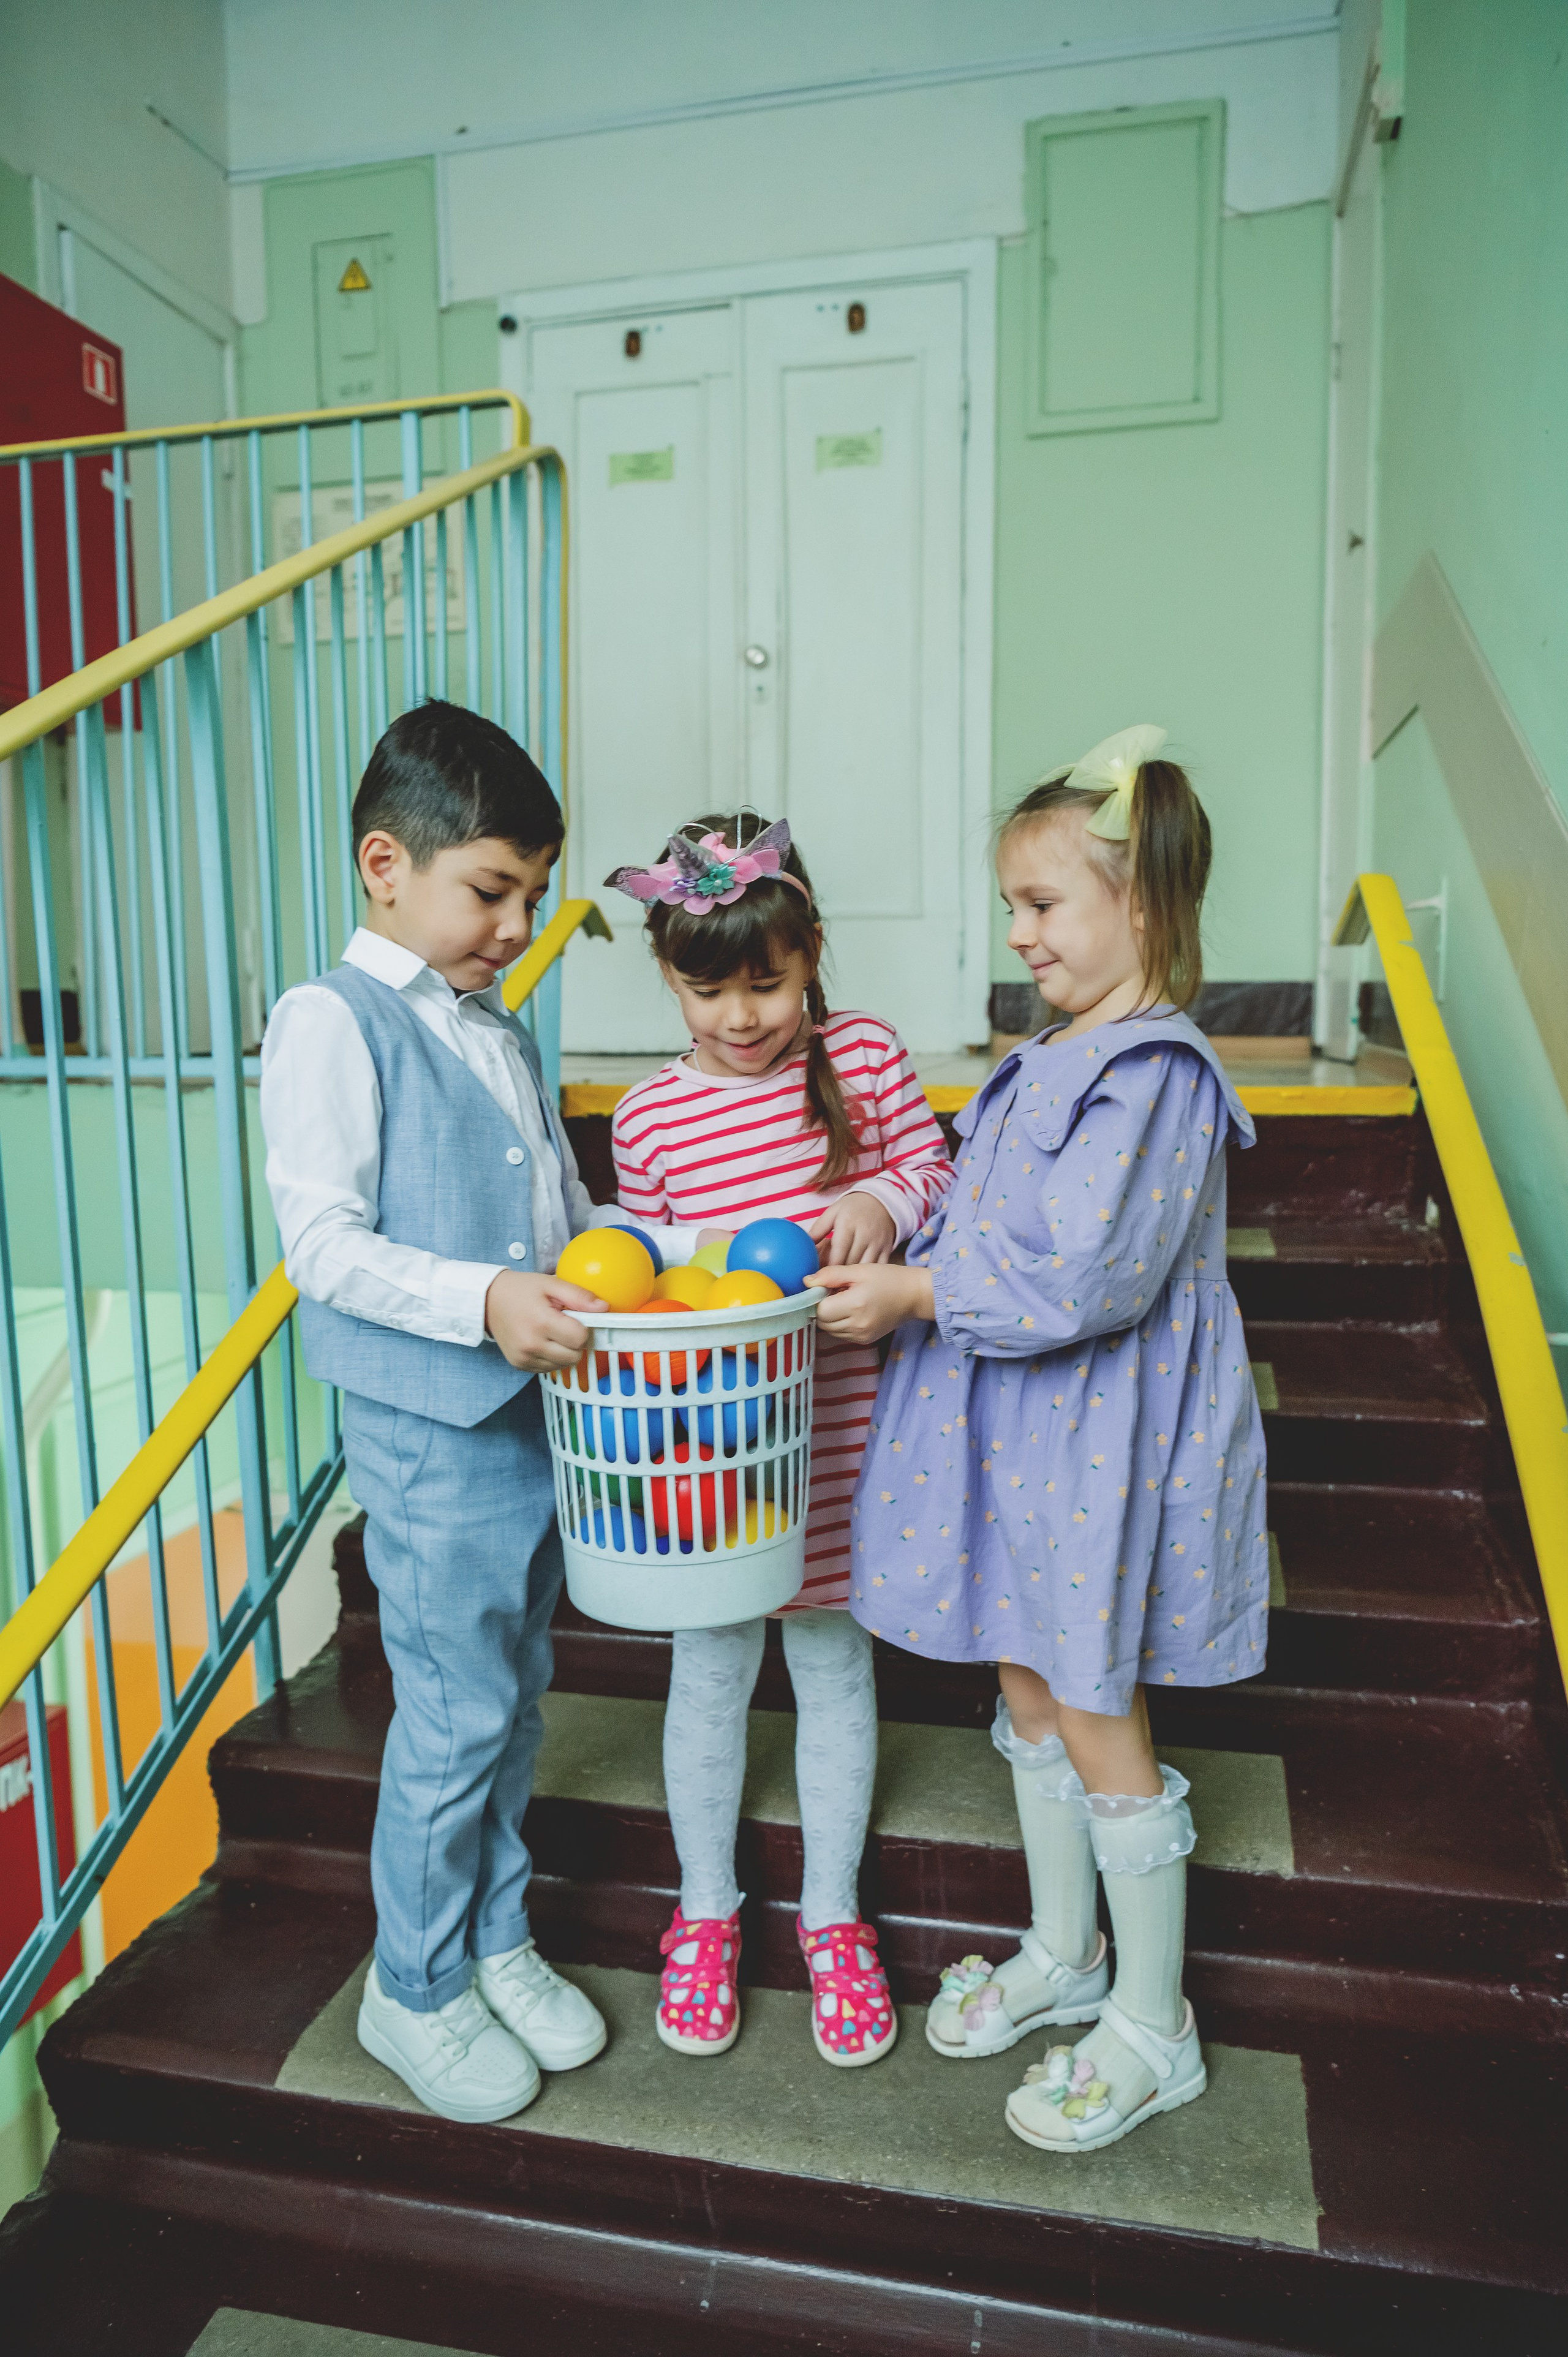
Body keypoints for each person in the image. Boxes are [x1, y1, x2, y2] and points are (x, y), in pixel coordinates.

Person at [812, 726, 1268, 2151]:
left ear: (1142, 905)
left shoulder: (1154, 1074)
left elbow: (1085, 1276)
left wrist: (919, 1292)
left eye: (1042, 904)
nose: (1017, 933)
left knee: (1091, 1697)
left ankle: (1152, 2018)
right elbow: (976, 1206)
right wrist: (894, 1228)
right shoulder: (1044, 1052)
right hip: (1021, 1430)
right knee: (1025, 1682)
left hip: (1098, 1435)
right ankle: (1064, 1949)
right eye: (1012, 905)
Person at [260, 700, 613, 2125]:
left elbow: (563, 1212)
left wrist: (640, 1256)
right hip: (427, 1436)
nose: (519, 922)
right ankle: (410, 1985)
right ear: (383, 863)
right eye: (491, 890)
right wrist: (483, 1301)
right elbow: (322, 1250)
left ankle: (492, 1932)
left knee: (514, 1696)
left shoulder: (496, 1031)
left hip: (529, 1426)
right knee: (454, 1713)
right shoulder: (327, 1021)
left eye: (532, 894)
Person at [603, 813, 954, 2065]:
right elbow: (644, 1276)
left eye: (767, 981)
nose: (741, 1015)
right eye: (708, 989)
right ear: (666, 977)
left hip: (847, 1427)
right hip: (717, 1452)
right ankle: (704, 1912)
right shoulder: (648, 1121)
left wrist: (875, 1195)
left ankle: (832, 1914)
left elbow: (934, 1169)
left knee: (830, 1666)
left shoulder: (862, 1056)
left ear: (810, 954)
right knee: (707, 1672)